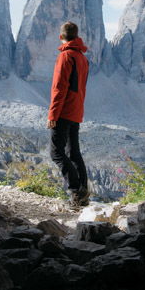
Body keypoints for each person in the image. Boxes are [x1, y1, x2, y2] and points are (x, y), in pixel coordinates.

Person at [47, 21, 90, 208]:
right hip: (76, 110)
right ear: (77, 35)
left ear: (61, 36)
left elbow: (59, 88)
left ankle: (76, 191)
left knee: (56, 153)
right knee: (73, 153)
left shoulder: (65, 56)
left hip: (64, 111)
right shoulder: (82, 57)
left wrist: (53, 115)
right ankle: (84, 195)